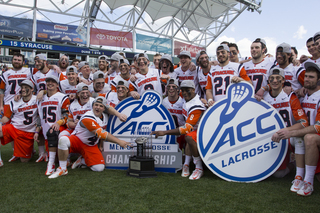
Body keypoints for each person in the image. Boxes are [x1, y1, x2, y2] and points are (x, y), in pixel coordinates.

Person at [48, 97, 131, 178]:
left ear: (104, 109)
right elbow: (101, 133)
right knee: (63, 139)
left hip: (90, 145)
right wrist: (119, 141)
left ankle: (82, 160)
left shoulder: (105, 115)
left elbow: (109, 108)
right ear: (92, 106)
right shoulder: (88, 117)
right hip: (77, 140)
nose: (98, 107)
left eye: (101, 106)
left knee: (99, 168)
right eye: (96, 105)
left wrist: (118, 114)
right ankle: (62, 169)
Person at [276, 62, 320, 196]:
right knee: (302, 137)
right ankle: (299, 177)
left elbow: (318, 127)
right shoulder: (302, 94)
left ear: (318, 80)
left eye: (311, 77)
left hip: (315, 135)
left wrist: (292, 132)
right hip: (306, 136)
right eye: (306, 76)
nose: (307, 79)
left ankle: (309, 182)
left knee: (308, 137)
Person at [152, 80, 206, 180]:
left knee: (188, 136)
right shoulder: (187, 98)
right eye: (183, 90)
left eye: (187, 90)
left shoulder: (196, 105)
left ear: (194, 90)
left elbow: (187, 128)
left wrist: (164, 132)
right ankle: (186, 164)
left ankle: (199, 167)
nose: (184, 93)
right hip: (191, 130)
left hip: (202, 131)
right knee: (188, 136)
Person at [264, 68, 308, 184]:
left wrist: (287, 131)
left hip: (288, 135)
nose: (275, 81)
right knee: (278, 174)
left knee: (299, 139)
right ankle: (292, 163)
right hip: (271, 138)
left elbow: (303, 122)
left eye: (278, 78)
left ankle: (299, 174)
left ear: (283, 80)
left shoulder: (290, 97)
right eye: (272, 78)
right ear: (268, 80)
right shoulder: (264, 98)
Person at [0, 53, 32, 162]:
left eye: (19, 60)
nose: (17, 61)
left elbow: (43, 70)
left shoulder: (28, 71)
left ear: (23, 62)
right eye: (15, 59)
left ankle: (29, 149)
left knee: (25, 125)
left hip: (24, 102)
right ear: (12, 60)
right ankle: (15, 151)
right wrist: (1, 105)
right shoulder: (6, 73)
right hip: (9, 103)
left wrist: (54, 66)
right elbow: (2, 90)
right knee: (12, 128)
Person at [35, 75, 70, 175]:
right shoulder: (41, 98)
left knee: (53, 133)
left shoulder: (62, 97)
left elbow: (66, 115)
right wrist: (37, 130)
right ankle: (53, 161)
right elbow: (39, 116)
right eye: (48, 81)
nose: (50, 83)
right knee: (55, 157)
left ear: (57, 84)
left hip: (59, 128)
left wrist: (59, 123)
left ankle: (51, 164)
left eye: (53, 82)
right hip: (47, 130)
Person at [0, 80, 39, 166]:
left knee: (24, 160)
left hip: (28, 133)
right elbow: (6, 117)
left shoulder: (37, 100)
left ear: (32, 89)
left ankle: (30, 151)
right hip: (14, 128)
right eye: (22, 88)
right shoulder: (14, 101)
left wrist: (43, 91)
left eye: (26, 88)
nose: (23, 89)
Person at [162, 78, 186, 151]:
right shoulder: (163, 102)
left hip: (181, 133)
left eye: (173, 87)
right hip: (168, 133)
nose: (171, 89)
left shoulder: (183, 102)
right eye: (169, 87)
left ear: (178, 89)